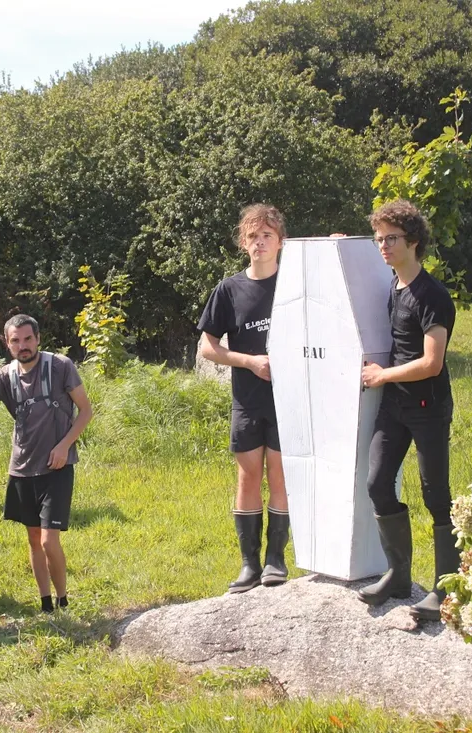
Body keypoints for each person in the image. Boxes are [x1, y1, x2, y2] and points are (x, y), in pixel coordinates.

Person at [356, 199, 458, 621]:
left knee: (437, 497)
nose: (383, 246)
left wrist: (383, 376)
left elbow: (432, 362)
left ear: (413, 241)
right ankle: (398, 576)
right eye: (379, 239)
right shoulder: (393, 286)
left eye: (390, 239)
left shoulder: (432, 295)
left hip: (428, 408)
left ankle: (445, 589)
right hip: (395, 407)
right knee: (379, 483)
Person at [197, 203, 290, 593]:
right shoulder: (229, 290)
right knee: (248, 475)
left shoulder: (295, 284)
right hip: (248, 400)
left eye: (267, 235)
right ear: (243, 243)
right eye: (253, 236)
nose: (260, 243)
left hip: (290, 401)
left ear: (281, 241)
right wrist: (248, 361)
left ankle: (276, 560)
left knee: (281, 476)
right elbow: (207, 347)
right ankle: (249, 564)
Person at [0, 315, 92, 613]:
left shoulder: (60, 366)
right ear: (7, 343)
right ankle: (45, 604)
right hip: (22, 469)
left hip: (56, 467)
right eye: (15, 340)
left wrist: (64, 446)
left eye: (27, 339)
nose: (22, 346)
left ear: (38, 338)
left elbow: (86, 411)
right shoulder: (5, 375)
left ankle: (63, 599)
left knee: (48, 541)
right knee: (33, 538)